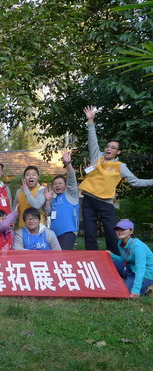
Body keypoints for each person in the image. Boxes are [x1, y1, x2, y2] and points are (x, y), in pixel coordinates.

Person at [79, 106, 153, 254]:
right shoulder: (97, 157)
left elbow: (135, 182)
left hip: (106, 203)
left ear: (118, 152)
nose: (108, 149)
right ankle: (92, 260)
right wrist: (90, 121)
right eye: (107, 146)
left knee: (111, 234)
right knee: (90, 234)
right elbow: (92, 141)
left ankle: (115, 261)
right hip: (89, 200)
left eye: (113, 148)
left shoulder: (120, 166)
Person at [108, 219, 153, 299]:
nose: (119, 231)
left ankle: (147, 288)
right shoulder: (120, 242)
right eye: (117, 229)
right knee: (111, 261)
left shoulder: (138, 246)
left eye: (123, 229)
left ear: (131, 231)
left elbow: (140, 268)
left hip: (146, 274)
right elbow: (125, 259)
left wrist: (136, 290)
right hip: (132, 270)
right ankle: (125, 281)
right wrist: (112, 255)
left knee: (125, 293)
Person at [44, 151, 79, 250]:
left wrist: (68, 164)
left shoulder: (71, 195)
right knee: (55, 257)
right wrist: (47, 201)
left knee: (64, 256)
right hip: (54, 234)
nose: (57, 185)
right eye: (55, 184)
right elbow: (48, 213)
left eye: (60, 183)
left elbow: (72, 178)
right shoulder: (54, 200)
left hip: (68, 232)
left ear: (66, 185)